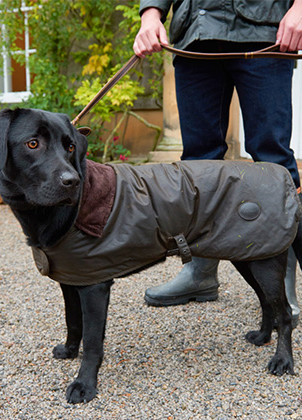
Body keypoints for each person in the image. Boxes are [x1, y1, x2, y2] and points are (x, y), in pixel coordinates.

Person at [133, 0, 302, 325]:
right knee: (198, 165)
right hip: (195, 35)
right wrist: (151, 13)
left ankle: (281, 279)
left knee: (273, 162)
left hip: (265, 32)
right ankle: (200, 271)